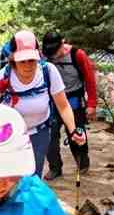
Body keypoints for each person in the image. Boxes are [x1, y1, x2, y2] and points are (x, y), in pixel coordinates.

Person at [0, 30, 87, 177]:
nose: (27, 65)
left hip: (40, 133)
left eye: (31, 60)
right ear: (13, 59)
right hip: (9, 135)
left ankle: (30, 200)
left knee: (33, 175)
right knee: (11, 177)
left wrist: (73, 131)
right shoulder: (3, 78)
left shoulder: (48, 72)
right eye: (22, 61)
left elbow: (63, 106)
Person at [41, 31, 96, 180]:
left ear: (63, 43)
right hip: (53, 101)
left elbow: (90, 79)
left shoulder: (77, 55)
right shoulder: (45, 57)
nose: (54, 55)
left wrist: (91, 104)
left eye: (56, 51)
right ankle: (55, 168)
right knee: (50, 136)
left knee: (76, 133)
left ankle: (82, 162)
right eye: (50, 53)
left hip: (74, 100)